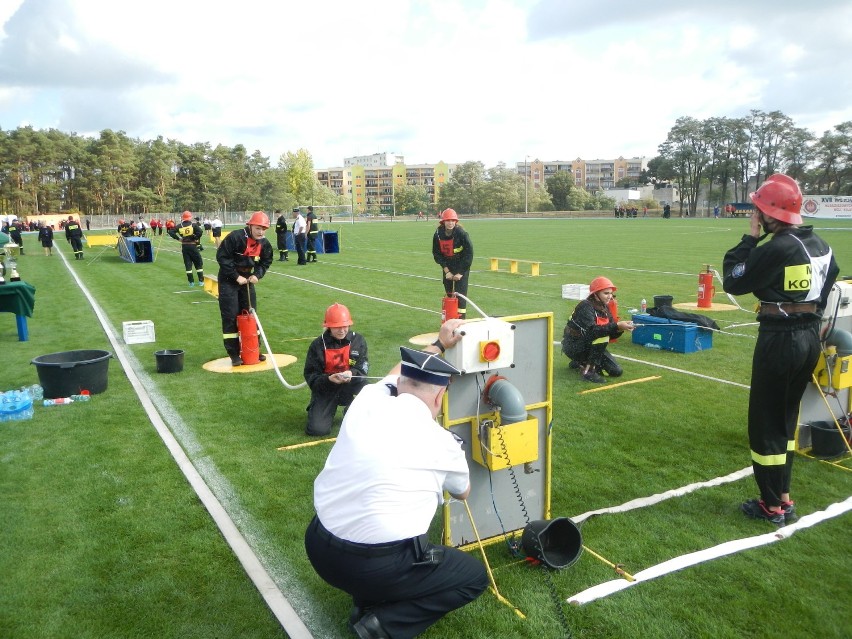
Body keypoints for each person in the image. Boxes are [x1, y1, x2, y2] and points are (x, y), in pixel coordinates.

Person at [304, 318, 488, 639]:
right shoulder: (442, 442)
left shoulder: (368, 399)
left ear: (401, 385)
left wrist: (440, 344)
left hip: (318, 544)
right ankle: (382, 626)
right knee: (473, 577)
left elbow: (396, 372)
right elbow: (463, 491)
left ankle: (366, 603)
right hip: (374, 565)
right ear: (439, 398)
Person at [723, 173, 839, 526]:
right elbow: (830, 280)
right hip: (807, 338)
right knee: (785, 418)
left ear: (769, 213)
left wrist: (750, 237)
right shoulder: (820, 245)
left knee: (766, 423)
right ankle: (782, 495)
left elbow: (734, 279)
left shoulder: (778, 247)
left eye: (758, 210)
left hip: (780, 340)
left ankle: (772, 505)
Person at [215, 211, 274, 366]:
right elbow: (222, 256)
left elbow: (266, 261)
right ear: (250, 226)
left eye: (264, 229)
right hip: (229, 280)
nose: (261, 232)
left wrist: (258, 274)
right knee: (230, 317)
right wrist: (235, 276)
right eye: (258, 228)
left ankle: (254, 349)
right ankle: (234, 354)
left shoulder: (264, 243)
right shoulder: (235, 237)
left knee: (251, 316)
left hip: (247, 281)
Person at [303, 303, 368, 436]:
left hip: (351, 384)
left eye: (345, 326)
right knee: (317, 430)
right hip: (327, 387)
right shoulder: (317, 345)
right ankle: (317, 408)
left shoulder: (358, 340)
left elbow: (363, 367)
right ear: (328, 326)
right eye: (337, 327)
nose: (342, 330)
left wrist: (352, 373)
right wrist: (328, 379)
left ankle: (351, 410)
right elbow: (311, 375)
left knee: (372, 392)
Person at [561, 276, 635, 383]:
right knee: (602, 337)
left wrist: (621, 329)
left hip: (588, 344)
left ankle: (580, 362)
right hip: (573, 345)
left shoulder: (605, 307)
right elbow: (593, 332)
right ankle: (588, 372)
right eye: (606, 293)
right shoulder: (585, 306)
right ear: (595, 294)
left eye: (611, 293)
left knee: (616, 371)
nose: (610, 296)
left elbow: (611, 333)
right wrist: (617, 326)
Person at [432, 208, 474, 320]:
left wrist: (460, 273)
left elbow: (469, 255)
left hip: (461, 265)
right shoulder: (437, 234)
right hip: (448, 265)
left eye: (452, 220)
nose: (450, 223)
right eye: (448, 220)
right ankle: (450, 319)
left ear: (456, 221)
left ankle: (461, 322)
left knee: (460, 295)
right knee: (449, 293)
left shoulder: (462, 234)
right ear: (443, 222)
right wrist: (447, 271)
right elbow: (437, 254)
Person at [168, 211, 205, 287]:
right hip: (192, 246)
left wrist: (178, 238)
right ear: (190, 217)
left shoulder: (179, 226)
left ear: (183, 218)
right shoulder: (193, 225)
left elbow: (171, 232)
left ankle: (191, 282)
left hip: (185, 246)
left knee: (188, 264)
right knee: (198, 263)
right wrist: (195, 237)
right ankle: (201, 281)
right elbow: (200, 232)